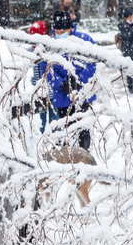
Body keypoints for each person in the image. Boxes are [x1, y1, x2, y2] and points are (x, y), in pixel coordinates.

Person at [32, 9, 97, 150]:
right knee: (66, 130)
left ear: (70, 27)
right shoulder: (50, 44)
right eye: (57, 32)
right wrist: (59, 84)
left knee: (83, 130)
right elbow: (46, 68)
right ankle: (68, 158)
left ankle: (83, 156)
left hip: (83, 95)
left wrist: (78, 81)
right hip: (61, 97)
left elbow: (92, 65)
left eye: (63, 31)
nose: (60, 34)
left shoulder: (84, 40)